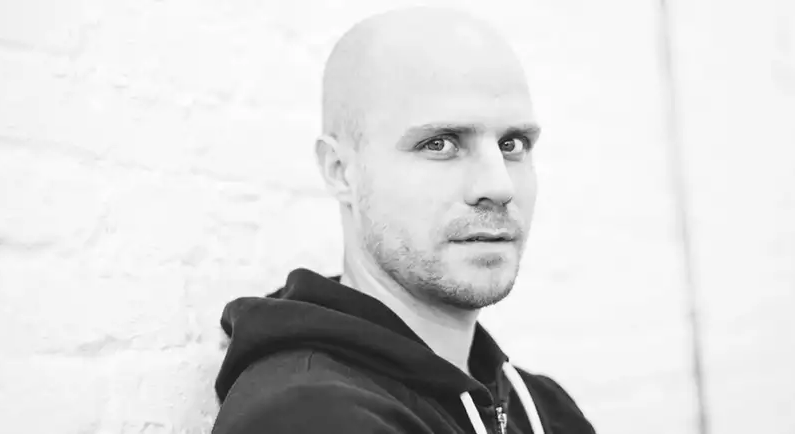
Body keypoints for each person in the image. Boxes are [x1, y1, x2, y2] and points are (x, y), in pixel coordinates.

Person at [212, 6, 595, 434]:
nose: (499, 185)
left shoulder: (546, 409)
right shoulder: (310, 416)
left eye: (513, 143)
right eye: (440, 143)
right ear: (340, 171)